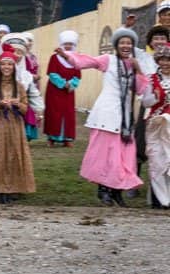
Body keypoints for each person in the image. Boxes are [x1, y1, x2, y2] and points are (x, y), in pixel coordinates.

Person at [57, 28, 148, 206]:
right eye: (122, 42)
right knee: (105, 155)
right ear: (116, 45)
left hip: (125, 118)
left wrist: (138, 71)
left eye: (129, 43)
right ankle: (103, 190)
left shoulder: (133, 64)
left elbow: (141, 89)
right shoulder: (109, 60)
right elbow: (86, 61)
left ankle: (116, 191)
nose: (126, 46)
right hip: (107, 112)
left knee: (123, 156)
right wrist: (68, 56)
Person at [0, 49, 35, 204]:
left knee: (14, 153)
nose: (6, 67)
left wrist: (17, 104)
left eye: (9, 64)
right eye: (3, 64)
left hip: (15, 123)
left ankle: (13, 188)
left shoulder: (19, 86)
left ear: (14, 67)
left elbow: (26, 108)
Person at [140, 45, 170, 209]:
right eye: (162, 60)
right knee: (157, 161)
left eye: (168, 59)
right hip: (156, 125)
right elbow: (145, 102)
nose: (165, 63)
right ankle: (162, 200)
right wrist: (155, 97)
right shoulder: (151, 79)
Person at [44, 30, 81, 147]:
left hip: (68, 92)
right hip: (55, 91)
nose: (68, 46)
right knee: (54, 113)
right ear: (62, 44)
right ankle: (52, 137)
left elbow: (78, 75)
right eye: (66, 44)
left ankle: (67, 138)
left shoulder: (76, 58)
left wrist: (72, 84)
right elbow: (51, 73)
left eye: (71, 44)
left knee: (68, 114)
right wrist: (63, 83)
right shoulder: (54, 58)